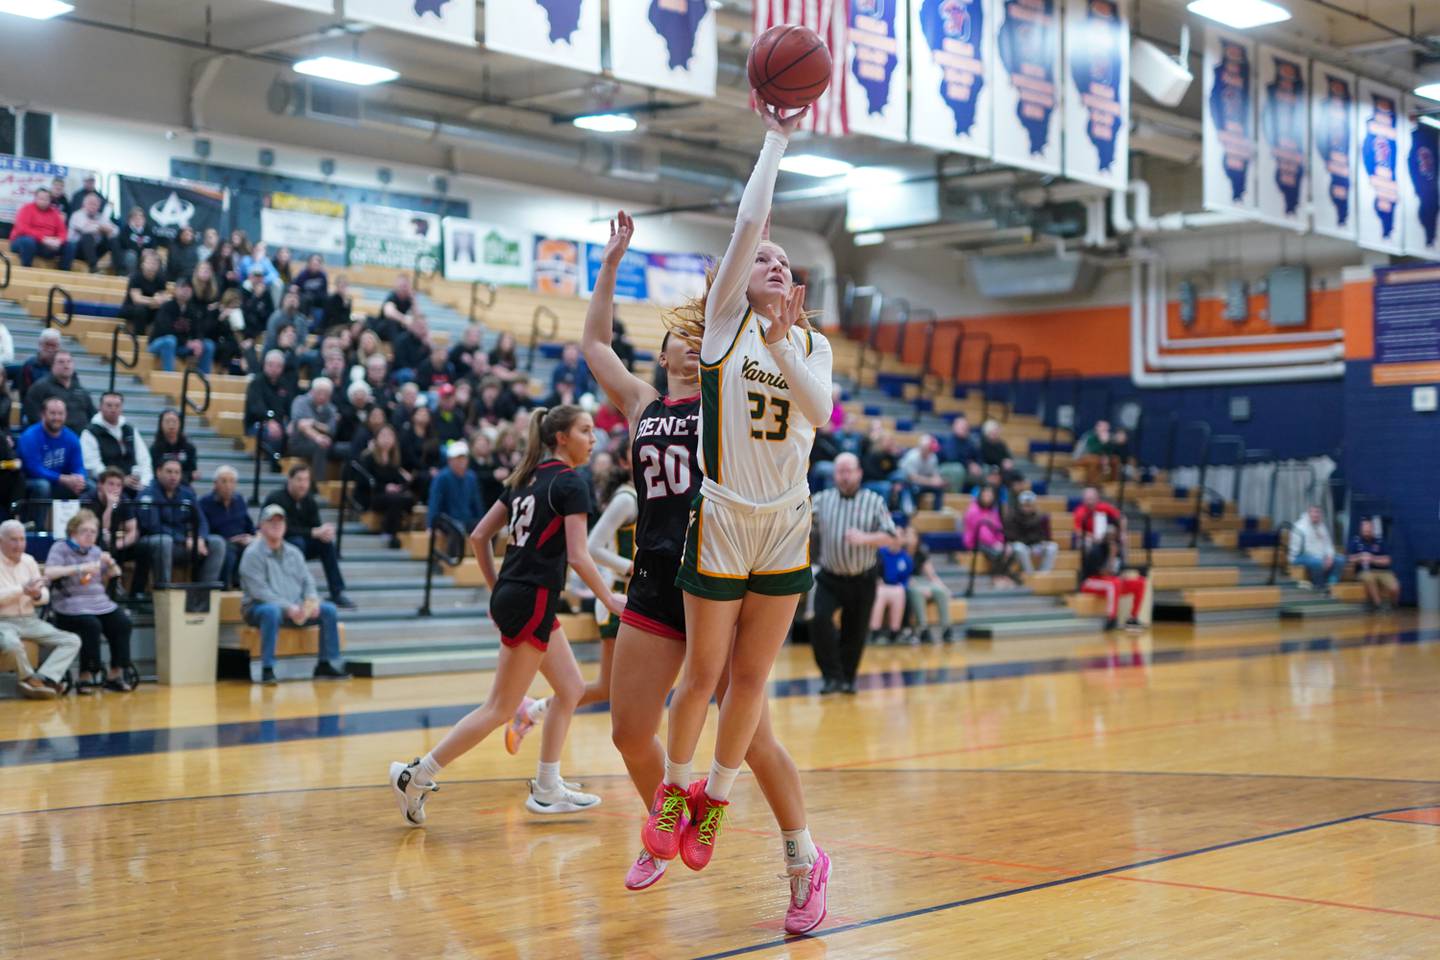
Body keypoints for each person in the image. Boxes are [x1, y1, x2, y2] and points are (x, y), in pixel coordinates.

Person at [646, 104, 835, 916]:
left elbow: (821, 414)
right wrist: (777, 140)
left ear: (793, 285)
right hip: (723, 515)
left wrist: (792, 345)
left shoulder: (809, 344)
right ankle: (674, 792)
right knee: (702, 676)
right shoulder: (724, 329)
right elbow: (752, 215)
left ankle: (715, 801)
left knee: (751, 681)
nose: (767, 258)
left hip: (787, 520)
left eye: (779, 259)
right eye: (756, 256)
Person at [388, 405, 624, 822]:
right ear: (562, 438)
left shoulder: (524, 479)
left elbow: (480, 536)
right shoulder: (570, 483)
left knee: (569, 689)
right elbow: (578, 555)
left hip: (518, 592)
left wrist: (498, 589)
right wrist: (609, 599)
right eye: (586, 431)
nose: (594, 439)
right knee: (499, 708)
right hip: (531, 595)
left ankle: (548, 787)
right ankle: (417, 775)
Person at [810, 452, 898, 691]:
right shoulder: (822, 499)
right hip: (829, 576)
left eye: (849, 471)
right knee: (819, 621)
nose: (845, 476)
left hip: (862, 578)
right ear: (834, 474)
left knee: (855, 632)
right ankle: (831, 677)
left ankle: (847, 679)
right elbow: (802, 522)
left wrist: (865, 538)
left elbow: (891, 537)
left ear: (859, 473)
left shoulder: (874, 501)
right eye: (841, 471)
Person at [240, 504, 348, 685]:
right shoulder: (252, 554)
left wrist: (311, 602)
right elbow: (259, 591)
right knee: (271, 612)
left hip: (295, 607)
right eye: (271, 521)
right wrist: (288, 608)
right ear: (261, 526)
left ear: (285, 526)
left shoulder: (294, 552)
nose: (276, 525)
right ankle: (268, 668)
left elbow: (308, 581)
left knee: (328, 610)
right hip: (258, 608)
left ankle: (326, 663)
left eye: (280, 521)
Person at [44, 509, 134, 693]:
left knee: (122, 622)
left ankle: (115, 673)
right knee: (91, 625)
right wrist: (79, 567)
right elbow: (49, 572)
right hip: (70, 604)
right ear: (73, 532)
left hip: (98, 602)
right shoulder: (61, 548)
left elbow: (112, 575)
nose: (89, 535)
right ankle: (85, 675)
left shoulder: (96, 551)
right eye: (85, 531)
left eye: (93, 532)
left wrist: (111, 565)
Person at [0, 520, 82, 699]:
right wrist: (22, 590)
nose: (19, 544)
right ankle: (28, 679)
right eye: (14, 540)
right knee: (12, 644)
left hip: (30, 619)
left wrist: (36, 595)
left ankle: (45, 679)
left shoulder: (29, 561)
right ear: (1, 541)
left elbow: (44, 596)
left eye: (22, 539)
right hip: (3, 621)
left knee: (72, 640)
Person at [578, 464, 637, 705]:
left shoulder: (652, 494)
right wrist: (630, 566)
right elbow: (591, 547)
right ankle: (535, 710)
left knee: (635, 685)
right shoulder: (626, 499)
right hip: (617, 595)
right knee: (608, 689)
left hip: (638, 595)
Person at [263, 464, 352, 607]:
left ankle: (337, 592)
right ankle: (299, 592)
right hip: (278, 543)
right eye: (299, 480)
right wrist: (313, 532)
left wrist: (324, 532)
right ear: (289, 480)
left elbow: (315, 527)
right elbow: (284, 530)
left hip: (301, 542)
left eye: (306, 480)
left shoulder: (309, 500)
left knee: (326, 543)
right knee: (297, 543)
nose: (303, 485)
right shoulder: (276, 498)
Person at [138, 459, 227, 589]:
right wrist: (185, 539)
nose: (173, 476)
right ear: (158, 472)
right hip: (155, 542)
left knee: (217, 542)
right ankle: (164, 592)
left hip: (187, 544)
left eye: (177, 472)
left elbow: (201, 520)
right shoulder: (147, 494)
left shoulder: (187, 493)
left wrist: (200, 538)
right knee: (164, 541)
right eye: (169, 472)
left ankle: (203, 595)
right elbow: (153, 526)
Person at [19, 397, 90, 503]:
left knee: (90, 487)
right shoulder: (30, 436)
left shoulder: (71, 437)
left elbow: (78, 465)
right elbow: (34, 469)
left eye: (60, 413)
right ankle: (37, 520)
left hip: (59, 482)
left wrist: (79, 478)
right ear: (43, 414)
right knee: (43, 486)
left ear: (65, 415)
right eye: (52, 413)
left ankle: (80, 519)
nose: (57, 417)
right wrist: (62, 479)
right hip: (32, 481)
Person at [355, 424, 414, 548]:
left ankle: (398, 530)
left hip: (390, 497)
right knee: (396, 499)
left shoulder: (395, 458)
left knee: (407, 498)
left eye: (390, 436)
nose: (387, 439)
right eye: (383, 435)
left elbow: (400, 480)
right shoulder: (368, 457)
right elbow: (364, 481)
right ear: (376, 438)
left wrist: (399, 487)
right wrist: (385, 487)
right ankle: (389, 533)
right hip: (372, 495)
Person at [81, 392, 153, 493]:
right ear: (100, 407)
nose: (113, 409)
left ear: (122, 408)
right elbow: (93, 467)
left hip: (134, 483)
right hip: (105, 485)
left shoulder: (130, 429)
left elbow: (144, 459)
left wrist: (145, 482)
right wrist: (120, 481)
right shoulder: (90, 432)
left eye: (117, 406)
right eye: (109, 405)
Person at [1079, 524, 1146, 631]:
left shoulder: (1117, 549)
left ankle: (1133, 618)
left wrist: (1122, 574)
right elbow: (1103, 572)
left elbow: (1116, 571)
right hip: (1090, 582)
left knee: (1140, 582)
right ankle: (1111, 618)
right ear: (1105, 536)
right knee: (1114, 584)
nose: (1112, 539)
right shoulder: (1097, 550)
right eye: (1110, 536)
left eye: (1114, 536)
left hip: (1110, 581)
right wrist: (1111, 555)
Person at [199, 465, 256, 589]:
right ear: (215, 484)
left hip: (241, 541)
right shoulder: (205, 502)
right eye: (224, 481)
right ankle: (226, 590)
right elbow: (204, 528)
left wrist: (251, 537)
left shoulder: (240, 500)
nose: (228, 485)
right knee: (228, 550)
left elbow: (249, 526)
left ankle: (249, 590)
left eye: (232, 481)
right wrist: (228, 539)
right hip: (219, 542)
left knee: (255, 547)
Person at [148, 278, 216, 374]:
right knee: (170, 340)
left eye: (188, 289)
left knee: (208, 345)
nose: (185, 291)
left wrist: (198, 342)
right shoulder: (166, 307)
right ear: (175, 290)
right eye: (182, 288)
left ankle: (203, 379)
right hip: (158, 344)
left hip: (181, 346)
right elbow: (165, 330)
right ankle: (169, 377)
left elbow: (198, 330)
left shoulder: (192, 310)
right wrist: (187, 342)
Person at [904, 525, 955, 643]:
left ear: (917, 538)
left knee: (940, 592)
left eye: (911, 535)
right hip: (908, 582)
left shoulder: (921, 553)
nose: (908, 537)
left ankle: (946, 628)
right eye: (906, 534)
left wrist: (945, 588)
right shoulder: (900, 552)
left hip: (920, 581)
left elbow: (932, 575)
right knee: (918, 592)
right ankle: (923, 628)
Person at [24, 351, 95, 433]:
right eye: (61, 362)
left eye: (69, 361)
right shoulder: (39, 388)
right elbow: (34, 417)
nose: (66, 365)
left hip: (82, 439)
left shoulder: (81, 390)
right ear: (52, 366)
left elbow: (92, 415)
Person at [287, 377, 342, 481]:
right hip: (299, 443)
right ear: (312, 391)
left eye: (326, 394)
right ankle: (318, 484)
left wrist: (314, 423)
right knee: (320, 447)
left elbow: (331, 429)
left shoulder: (331, 408)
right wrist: (318, 437)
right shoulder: (301, 401)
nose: (322, 396)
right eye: (319, 392)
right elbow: (302, 425)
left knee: (347, 450)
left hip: (325, 442)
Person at [961, 484, 1015, 587]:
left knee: (1010, 550)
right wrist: (995, 544)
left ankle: (1002, 575)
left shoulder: (993, 511)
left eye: (989, 496)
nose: (987, 498)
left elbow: (998, 528)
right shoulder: (973, 510)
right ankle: (996, 577)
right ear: (980, 496)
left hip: (992, 542)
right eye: (985, 495)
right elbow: (982, 532)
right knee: (998, 552)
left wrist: (1002, 542)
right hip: (975, 541)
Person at [427, 441, 483, 536]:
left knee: (487, 530)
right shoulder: (441, 477)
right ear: (449, 460)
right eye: (458, 458)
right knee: (456, 530)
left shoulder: (471, 477)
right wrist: (431, 526)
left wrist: (483, 522)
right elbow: (434, 502)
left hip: (466, 520)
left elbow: (476, 502)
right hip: (447, 520)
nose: (461, 461)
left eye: (463, 458)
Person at [9, 188, 74, 270]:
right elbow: (22, 229)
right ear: (35, 198)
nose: (44, 201)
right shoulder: (26, 208)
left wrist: (58, 241)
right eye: (41, 198)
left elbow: (62, 231)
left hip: (48, 245)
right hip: (23, 242)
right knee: (28, 242)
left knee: (69, 245)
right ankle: (26, 269)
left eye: (47, 199)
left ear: (50, 200)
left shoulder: (55, 213)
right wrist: (43, 238)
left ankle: (64, 272)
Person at [244, 349, 297, 450]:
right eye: (271, 365)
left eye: (278, 366)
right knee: (273, 433)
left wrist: (292, 422)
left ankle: (285, 463)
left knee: (294, 432)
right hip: (257, 424)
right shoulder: (256, 383)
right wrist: (269, 420)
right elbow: (256, 408)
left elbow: (290, 408)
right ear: (264, 365)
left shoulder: (285, 384)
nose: (274, 369)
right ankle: (273, 464)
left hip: (280, 423)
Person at [871, 529, 915, 645]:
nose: (895, 540)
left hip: (896, 588)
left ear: (902, 540)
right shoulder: (880, 553)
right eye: (893, 537)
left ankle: (895, 632)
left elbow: (907, 579)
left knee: (900, 592)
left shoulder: (906, 558)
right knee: (880, 593)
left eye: (898, 537)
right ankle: (875, 632)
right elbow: (874, 572)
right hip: (881, 586)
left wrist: (902, 585)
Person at [1348, 517, 1400, 609]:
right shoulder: (1355, 541)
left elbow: (1388, 560)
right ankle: (1378, 605)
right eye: (1364, 529)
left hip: (1383, 571)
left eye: (1368, 529)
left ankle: (1394, 605)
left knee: (1395, 587)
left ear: (1372, 529)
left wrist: (1373, 558)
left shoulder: (1380, 541)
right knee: (1369, 578)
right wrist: (1360, 557)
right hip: (1364, 571)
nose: (1366, 531)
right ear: (1361, 529)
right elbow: (1350, 558)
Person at [1006, 489, 1058, 576]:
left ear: (1034, 505)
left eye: (1029, 505)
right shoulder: (1012, 517)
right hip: (1021, 546)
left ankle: (1043, 574)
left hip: (1035, 546)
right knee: (1020, 548)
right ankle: (1030, 574)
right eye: (1024, 505)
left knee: (1052, 547)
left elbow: (1046, 536)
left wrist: (1042, 542)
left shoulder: (1042, 517)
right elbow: (1012, 537)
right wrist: (1030, 543)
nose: (1027, 508)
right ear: (1020, 505)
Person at [121, 249, 171, 336]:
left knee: (165, 310)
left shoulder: (161, 278)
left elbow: (162, 297)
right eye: (149, 262)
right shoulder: (136, 277)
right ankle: (140, 338)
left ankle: (158, 336)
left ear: (159, 266)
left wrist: (161, 300)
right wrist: (153, 300)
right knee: (141, 310)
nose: (152, 265)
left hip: (151, 307)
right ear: (142, 264)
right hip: (131, 307)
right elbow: (137, 299)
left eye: (155, 263)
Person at [1289, 504, 1340, 588]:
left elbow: (1328, 544)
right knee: (1317, 562)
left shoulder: (1322, 526)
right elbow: (1302, 550)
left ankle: (1332, 584)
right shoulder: (1299, 527)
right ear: (1308, 513)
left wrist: (1330, 556)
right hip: (1299, 556)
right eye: (1313, 512)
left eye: (1318, 512)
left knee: (1340, 560)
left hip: (1319, 556)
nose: (1316, 515)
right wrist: (1321, 558)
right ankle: (1319, 586)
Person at [67, 191, 118, 273]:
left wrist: (109, 229)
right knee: (87, 236)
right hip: (78, 250)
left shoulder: (100, 216)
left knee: (113, 239)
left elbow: (116, 230)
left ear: (99, 206)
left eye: (95, 204)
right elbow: (85, 229)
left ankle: (121, 270)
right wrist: (101, 227)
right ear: (84, 204)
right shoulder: (77, 215)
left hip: (95, 249)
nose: (93, 206)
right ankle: (93, 267)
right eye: (90, 203)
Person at [897, 433, 947, 511]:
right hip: (908, 482)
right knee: (915, 488)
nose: (931, 451)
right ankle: (914, 511)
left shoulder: (932, 457)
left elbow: (935, 473)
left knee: (939, 488)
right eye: (929, 449)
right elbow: (913, 478)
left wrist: (938, 480)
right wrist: (931, 481)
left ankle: (937, 511)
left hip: (924, 481)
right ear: (923, 448)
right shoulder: (912, 457)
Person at [150, 409, 200, 486]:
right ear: (161, 424)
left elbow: (193, 473)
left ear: (180, 424)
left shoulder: (189, 448)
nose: (171, 425)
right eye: (167, 422)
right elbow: (154, 472)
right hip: (159, 487)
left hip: (184, 487)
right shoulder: (154, 449)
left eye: (174, 421)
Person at [938, 415, 983, 491]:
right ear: (954, 427)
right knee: (958, 469)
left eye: (966, 426)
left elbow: (979, 456)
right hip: (946, 467)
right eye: (962, 426)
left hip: (965, 467)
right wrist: (969, 464)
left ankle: (984, 499)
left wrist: (977, 465)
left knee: (986, 470)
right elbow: (952, 457)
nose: (964, 428)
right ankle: (955, 497)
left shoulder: (970, 442)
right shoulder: (949, 440)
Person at [18, 327, 61, 400]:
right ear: (40, 344)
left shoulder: (64, 366)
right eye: (47, 344)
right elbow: (25, 394)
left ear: (58, 347)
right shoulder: (29, 366)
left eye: (53, 345)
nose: (50, 349)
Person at [116, 207, 156, 276]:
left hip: (144, 256)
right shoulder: (126, 230)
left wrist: (149, 250)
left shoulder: (148, 230)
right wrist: (142, 250)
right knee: (131, 255)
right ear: (130, 219)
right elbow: (126, 245)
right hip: (128, 256)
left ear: (144, 219)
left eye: (140, 217)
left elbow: (154, 244)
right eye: (135, 217)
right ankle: (131, 277)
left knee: (153, 257)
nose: (138, 219)